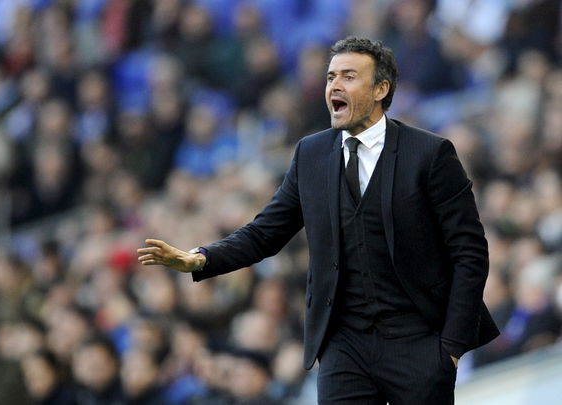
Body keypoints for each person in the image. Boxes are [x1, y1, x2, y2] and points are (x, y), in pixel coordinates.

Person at [137, 37, 500, 404]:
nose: (334, 86)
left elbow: (470, 252)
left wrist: (450, 348)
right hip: (344, 346)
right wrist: (201, 258)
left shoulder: (430, 154)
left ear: (380, 89)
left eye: (348, 76)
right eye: (330, 78)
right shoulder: (310, 154)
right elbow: (266, 232)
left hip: (418, 341)